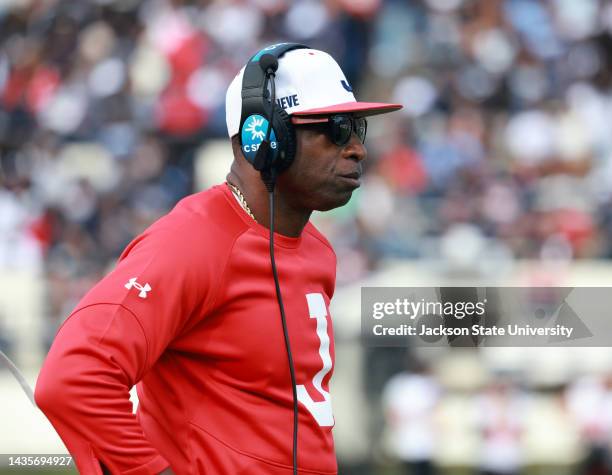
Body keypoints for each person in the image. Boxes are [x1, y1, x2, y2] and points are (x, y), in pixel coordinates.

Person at [35, 43, 401, 474]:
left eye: (358, 128)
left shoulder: (317, 249)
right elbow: (75, 377)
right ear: (263, 137)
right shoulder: (192, 240)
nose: (357, 149)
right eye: (335, 128)